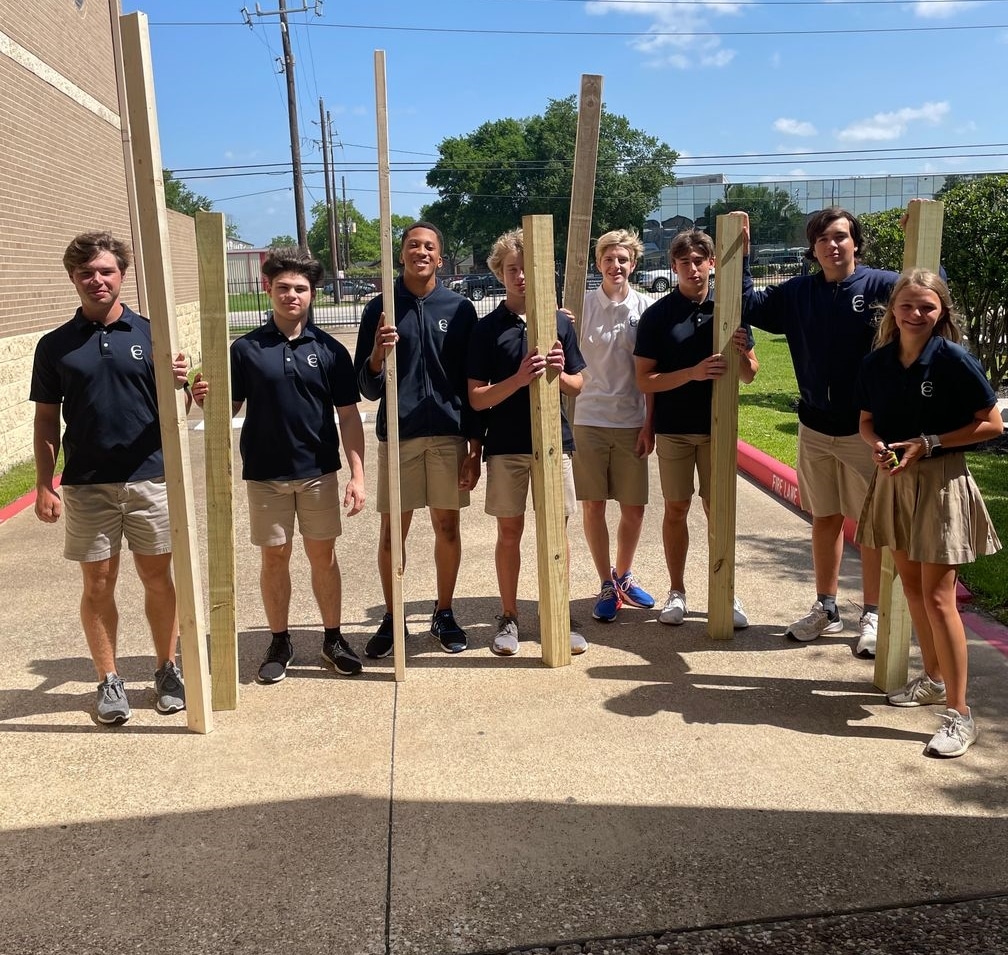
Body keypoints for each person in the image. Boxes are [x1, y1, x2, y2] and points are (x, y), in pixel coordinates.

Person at [30, 231, 207, 724]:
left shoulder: (154, 336)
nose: (97, 280)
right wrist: (46, 483)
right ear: (73, 279)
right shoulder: (55, 347)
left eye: (106, 271)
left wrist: (188, 387)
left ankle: (166, 668)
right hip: (87, 484)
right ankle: (109, 679)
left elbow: (182, 406)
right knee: (98, 584)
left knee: (157, 577)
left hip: (151, 478)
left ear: (121, 275)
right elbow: (47, 419)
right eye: (86, 272)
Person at [740, 206, 903, 656]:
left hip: (865, 431)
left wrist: (915, 244)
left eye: (841, 237)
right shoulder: (799, 293)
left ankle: (872, 614)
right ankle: (827, 608)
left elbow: (930, 289)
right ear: (813, 249)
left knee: (869, 527)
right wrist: (745, 256)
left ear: (855, 242)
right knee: (825, 520)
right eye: (823, 239)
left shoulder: (881, 286)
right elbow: (748, 303)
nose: (833, 245)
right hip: (814, 425)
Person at [856, 269, 1002, 757]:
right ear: (892, 309)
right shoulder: (877, 363)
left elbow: (992, 424)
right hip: (895, 482)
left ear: (941, 313)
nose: (916, 315)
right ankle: (935, 679)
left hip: (941, 483)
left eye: (927, 308)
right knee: (913, 589)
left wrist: (931, 443)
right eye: (908, 306)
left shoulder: (954, 360)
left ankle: (960, 715)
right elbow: (866, 420)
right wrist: (878, 447)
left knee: (939, 597)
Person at [230, 248, 366, 684]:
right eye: (284, 287)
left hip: (318, 473)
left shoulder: (329, 350)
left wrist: (357, 475)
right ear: (267, 288)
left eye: (302, 288)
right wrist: (198, 396)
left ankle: (332, 638)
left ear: (312, 294)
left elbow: (347, 415)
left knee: (322, 556)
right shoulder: (245, 349)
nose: (293, 295)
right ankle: (279, 639)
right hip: (266, 475)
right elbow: (227, 410)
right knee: (275, 557)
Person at [353, 222, 482, 657]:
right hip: (401, 436)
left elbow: (472, 381)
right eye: (413, 245)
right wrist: (376, 355)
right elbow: (366, 387)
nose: (420, 252)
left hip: (448, 436)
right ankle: (393, 618)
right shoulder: (381, 309)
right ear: (402, 253)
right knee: (393, 534)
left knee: (447, 527)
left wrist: (475, 446)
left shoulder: (460, 308)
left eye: (429, 247)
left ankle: (444, 613)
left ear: (440, 258)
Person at [467, 227, 588, 657]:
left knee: (557, 531)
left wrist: (561, 373)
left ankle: (559, 610)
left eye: (527, 269)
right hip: (506, 444)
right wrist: (517, 380)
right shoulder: (486, 330)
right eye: (512, 269)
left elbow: (578, 384)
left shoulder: (558, 322)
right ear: (499, 273)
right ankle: (509, 616)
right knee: (509, 531)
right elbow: (477, 398)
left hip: (556, 445)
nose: (520, 277)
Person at [634, 229, 758, 629]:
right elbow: (644, 380)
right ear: (673, 266)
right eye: (684, 261)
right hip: (675, 430)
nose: (692, 267)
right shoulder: (658, 316)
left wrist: (740, 353)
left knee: (717, 510)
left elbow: (750, 375)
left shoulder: (730, 310)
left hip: (718, 430)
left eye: (699, 260)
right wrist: (692, 373)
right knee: (676, 508)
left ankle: (725, 589)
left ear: (711, 265)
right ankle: (677, 591)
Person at [572, 228, 657, 622]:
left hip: (630, 420)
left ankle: (623, 576)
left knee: (634, 507)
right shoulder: (582, 306)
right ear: (598, 263)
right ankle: (605, 583)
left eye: (623, 259)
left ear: (633, 264)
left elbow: (652, 371)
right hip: (588, 418)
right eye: (608, 259)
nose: (616, 265)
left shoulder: (646, 308)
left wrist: (649, 424)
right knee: (593, 505)